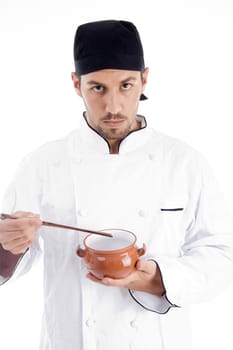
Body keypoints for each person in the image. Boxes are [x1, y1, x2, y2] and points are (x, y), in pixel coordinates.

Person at [0, 19, 233, 350]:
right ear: (76, 83)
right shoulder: (42, 164)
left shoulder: (184, 162)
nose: (113, 107)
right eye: (97, 88)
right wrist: (9, 242)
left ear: (145, 79)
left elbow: (222, 253)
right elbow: (3, 264)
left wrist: (157, 279)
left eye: (126, 86)